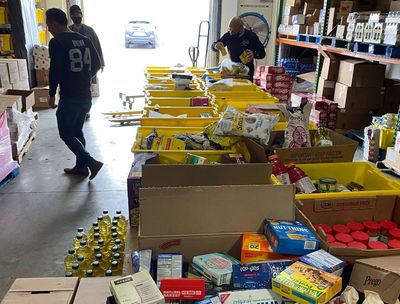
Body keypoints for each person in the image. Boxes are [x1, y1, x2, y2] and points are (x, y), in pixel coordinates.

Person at [46, 8, 103, 180]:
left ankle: (90, 162)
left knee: (66, 132)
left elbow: (54, 70)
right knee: (77, 131)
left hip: (70, 95)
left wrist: (51, 94)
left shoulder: (57, 42)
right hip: (85, 95)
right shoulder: (84, 40)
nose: (49, 29)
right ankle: (81, 167)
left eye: (49, 25)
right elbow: (97, 63)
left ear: (55, 24)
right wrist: (84, 77)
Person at [212, 17, 266, 82]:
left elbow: (262, 53)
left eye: (234, 32)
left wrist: (253, 54)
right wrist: (216, 46)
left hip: (247, 70)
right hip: (232, 70)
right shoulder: (228, 35)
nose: (231, 33)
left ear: (241, 28)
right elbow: (214, 46)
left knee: (245, 89)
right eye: (230, 30)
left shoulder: (251, 36)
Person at [69, 5, 105, 71]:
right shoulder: (69, 30)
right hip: (74, 64)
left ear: (81, 15)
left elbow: (97, 46)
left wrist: (101, 63)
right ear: (71, 16)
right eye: (73, 15)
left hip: (89, 63)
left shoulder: (89, 30)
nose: (76, 16)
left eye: (77, 14)